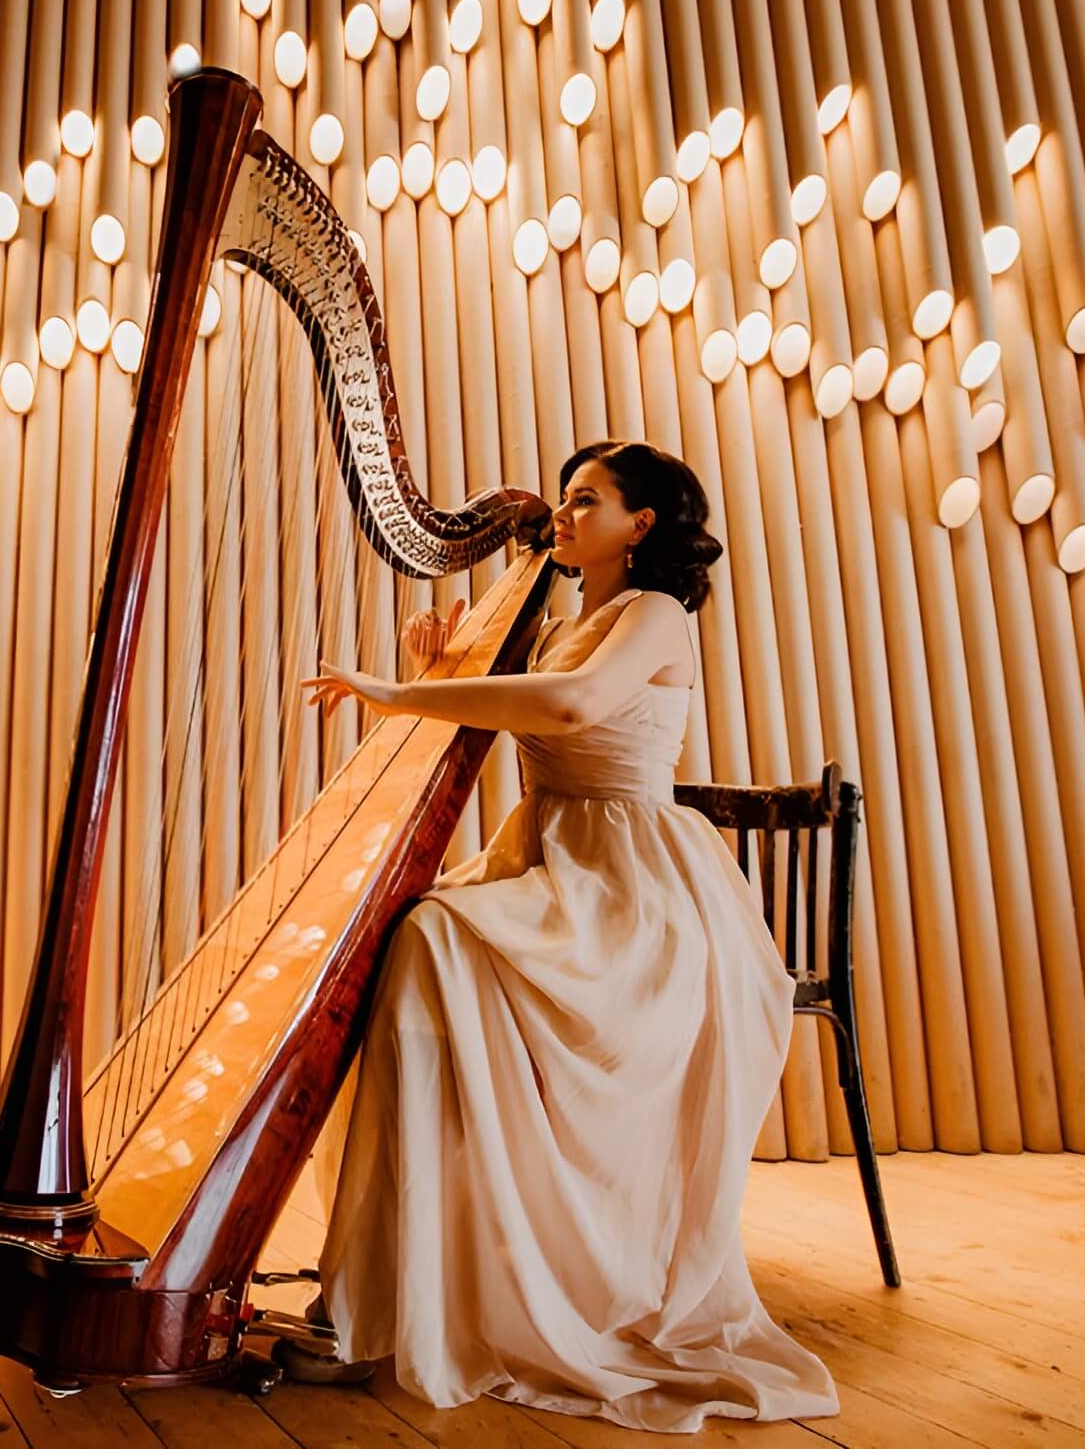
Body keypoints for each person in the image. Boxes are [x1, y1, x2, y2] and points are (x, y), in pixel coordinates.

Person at [286, 440, 839, 1432]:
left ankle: (409, 1286)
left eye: (587, 500)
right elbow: (510, 703)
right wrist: (434, 665)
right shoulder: (551, 625)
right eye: (564, 498)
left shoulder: (654, 613)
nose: (562, 514)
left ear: (641, 525)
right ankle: (400, 1274)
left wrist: (395, 693)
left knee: (433, 943)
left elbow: (570, 706)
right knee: (417, 946)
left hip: (632, 890)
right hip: (547, 861)